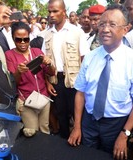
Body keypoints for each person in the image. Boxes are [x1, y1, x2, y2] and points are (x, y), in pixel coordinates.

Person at [68, 4, 133, 160]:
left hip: (116, 125)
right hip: (89, 121)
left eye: (112, 24)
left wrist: (125, 134)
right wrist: (77, 126)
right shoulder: (90, 57)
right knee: (87, 159)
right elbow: (80, 93)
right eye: (102, 24)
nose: (105, 29)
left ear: (125, 29)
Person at [42, 0, 90, 139]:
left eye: (55, 11)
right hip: (56, 80)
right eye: (49, 11)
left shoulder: (76, 32)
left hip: (75, 81)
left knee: (77, 114)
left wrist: (84, 85)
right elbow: (44, 62)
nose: (51, 15)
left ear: (64, 12)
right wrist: (48, 82)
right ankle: (64, 145)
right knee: (61, 114)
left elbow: (84, 59)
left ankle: (80, 143)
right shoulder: (46, 35)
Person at [5, 22, 55, 137]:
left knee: (45, 130)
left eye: (26, 39)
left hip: (43, 97)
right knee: (32, 132)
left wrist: (49, 64)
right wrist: (18, 72)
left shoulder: (37, 52)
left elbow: (51, 73)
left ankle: (46, 154)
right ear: (13, 38)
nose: (23, 43)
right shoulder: (9, 54)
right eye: (18, 39)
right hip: (27, 100)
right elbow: (14, 83)